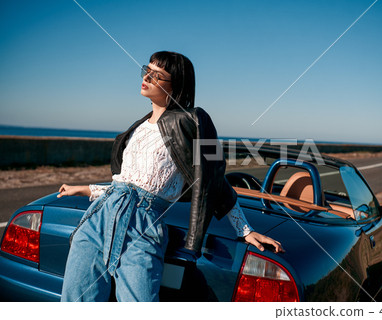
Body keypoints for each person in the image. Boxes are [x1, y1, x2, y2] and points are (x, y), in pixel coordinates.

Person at [58, 51, 284, 302]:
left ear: (175, 85)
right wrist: (85, 189)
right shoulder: (137, 127)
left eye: (157, 75)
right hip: (98, 220)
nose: (147, 77)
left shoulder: (193, 121)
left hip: (142, 227)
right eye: (147, 70)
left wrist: (244, 229)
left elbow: (213, 180)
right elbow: (126, 184)